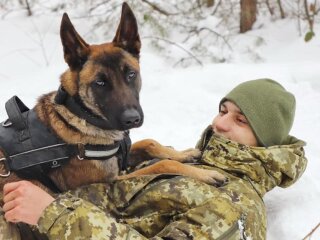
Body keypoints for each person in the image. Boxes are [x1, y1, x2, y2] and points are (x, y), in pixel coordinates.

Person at [1, 79, 307, 239]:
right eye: (223, 110)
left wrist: (51, 214)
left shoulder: (236, 206)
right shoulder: (195, 163)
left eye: (241, 121)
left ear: (265, 142)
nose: (220, 124)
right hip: (22, 203)